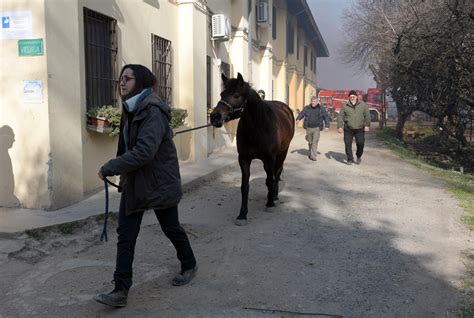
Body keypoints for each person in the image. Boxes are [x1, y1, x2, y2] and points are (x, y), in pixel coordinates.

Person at [94, 64, 197, 308]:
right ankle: (120, 290)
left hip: (159, 182)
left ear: (140, 82)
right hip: (136, 183)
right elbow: (127, 146)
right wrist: (122, 175)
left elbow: (144, 151)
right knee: (126, 235)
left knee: (171, 228)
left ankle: (189, 263)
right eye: (121, 78)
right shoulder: (131, 109)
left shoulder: (152, 110)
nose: (122, 82)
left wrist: (111, 167)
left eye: (128, 79)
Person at [337, 90, 371, 165]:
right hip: (348, 129)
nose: (352, 98)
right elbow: (340, 116)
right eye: (351, 97)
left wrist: (367, 125)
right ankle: (350, 159)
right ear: (349, 97)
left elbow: (367, 116)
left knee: (360, 143)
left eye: (353, 96)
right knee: (347, 144)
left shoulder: (363, 105)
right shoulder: (345, 105)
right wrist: (340, 126)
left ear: (356, 97)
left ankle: (358, 156)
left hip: (359, 128)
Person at [295, 96, 330, 161]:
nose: (313, 103)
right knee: (310, 141)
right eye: (312, 101)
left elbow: (326, 117)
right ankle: (310, 150)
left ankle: (313, 155)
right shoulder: (307, 108)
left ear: (317, 102)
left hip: (317, 128)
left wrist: (327, 126)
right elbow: (302, 113)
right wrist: (298, 119)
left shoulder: (321, 108)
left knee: (315, 142)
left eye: (314, 101)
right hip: (308, 127)